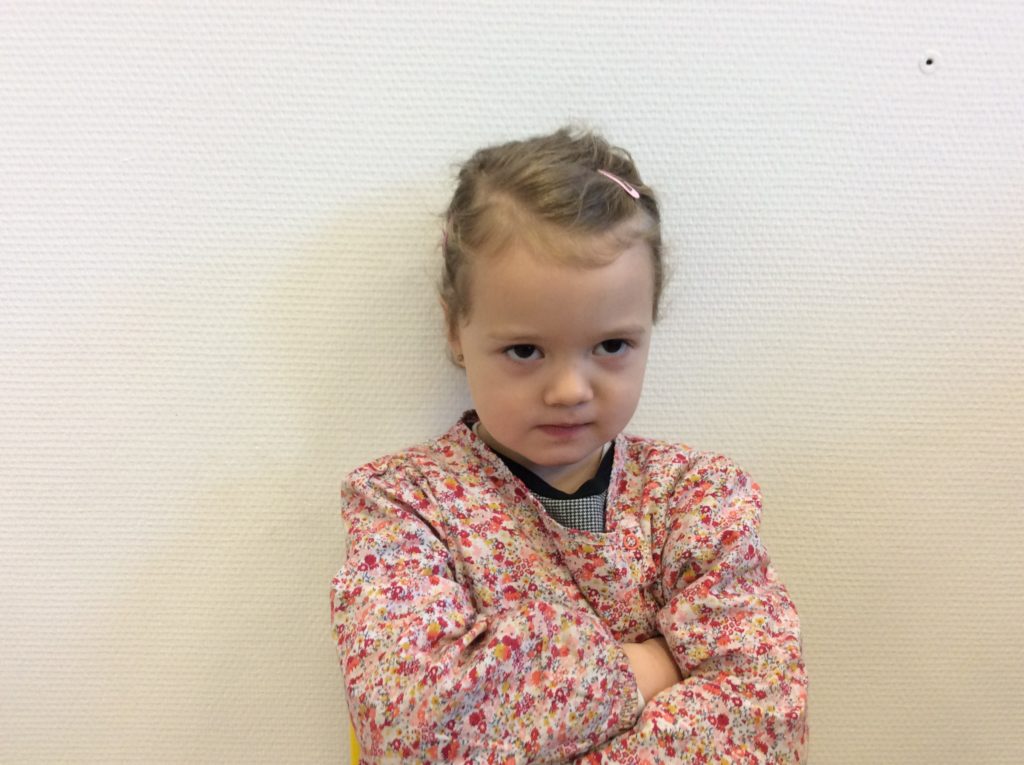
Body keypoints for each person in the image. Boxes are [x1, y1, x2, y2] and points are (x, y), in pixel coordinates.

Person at [331, 127, 808, 763]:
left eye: (611, 345)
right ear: (455, 330)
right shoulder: (404, 504)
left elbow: (765, 718)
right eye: (525, 350)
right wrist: (651, 666)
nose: (569, 391)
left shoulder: (697, 497)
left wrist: (522, 697)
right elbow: (413, 727)